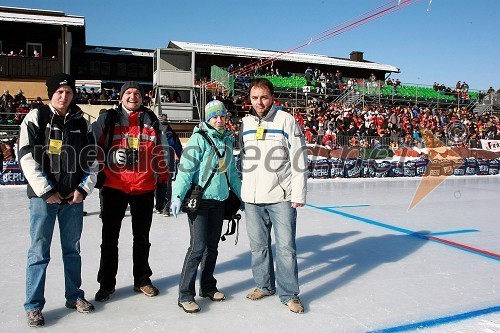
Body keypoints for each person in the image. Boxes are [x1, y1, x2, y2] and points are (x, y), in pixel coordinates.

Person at [18, 73, 98, 327]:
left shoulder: (81, 121)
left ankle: (74, 296)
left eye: (69, 92)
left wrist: (83, 190)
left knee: (72, 250)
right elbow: (26, 158)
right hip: (44, 200)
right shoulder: (36, 117)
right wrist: (46, 191)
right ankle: (33, 306)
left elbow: (93, 160)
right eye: (59, 92)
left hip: (73, 199)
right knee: (39, 252)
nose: (64, 96)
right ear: (51, 93)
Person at [92, 81, 170, 302]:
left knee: (142, 239)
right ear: (120, 96)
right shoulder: (107, 119)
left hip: (143, 188)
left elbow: (161, 152)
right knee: (109, 239)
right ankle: (106, 284)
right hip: (114, 186)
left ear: (142, 97)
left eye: (137, 93)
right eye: (128, 92)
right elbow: (92, 147)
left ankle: (142, 280)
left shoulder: (151, 120)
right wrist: (107, 158)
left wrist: (163, 182)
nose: (132, 96)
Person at [239, 78, 308, 314]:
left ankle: (289, 294)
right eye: (255, 97)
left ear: (272, 98)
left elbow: (299, 159)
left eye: (264, 97)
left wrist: (298, 193)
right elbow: (243, 159)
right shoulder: (246, 123)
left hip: (281, 197)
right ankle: (263, 285)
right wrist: (242, 190)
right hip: (252, 198)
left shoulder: (286, 121)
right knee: (258, 247)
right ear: (249, 98)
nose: (259, 102)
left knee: (286, 249)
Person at [170, 100, 242, 313]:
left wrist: (242, 196)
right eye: (214, 116)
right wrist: (176, 196)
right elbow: (185, 171)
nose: (219, 120)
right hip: (200, 202)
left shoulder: (227, 141)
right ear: (207, 118)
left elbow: (232, 175)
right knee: (197, 247)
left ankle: (208, 286)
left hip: (219, 201)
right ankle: (185, 294)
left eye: (222, 116)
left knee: (212, 247)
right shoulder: (198, 139)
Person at [155, 114, 183, 216]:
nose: (163, 127)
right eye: (161, 125)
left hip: (169, 164)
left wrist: (180, 157)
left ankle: (166, 207)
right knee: (157, 185)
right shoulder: (154, 134)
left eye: (165, 124)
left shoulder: (172, 135)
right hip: (156, 163)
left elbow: (178, 148)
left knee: (167, 185)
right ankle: (159, 205)